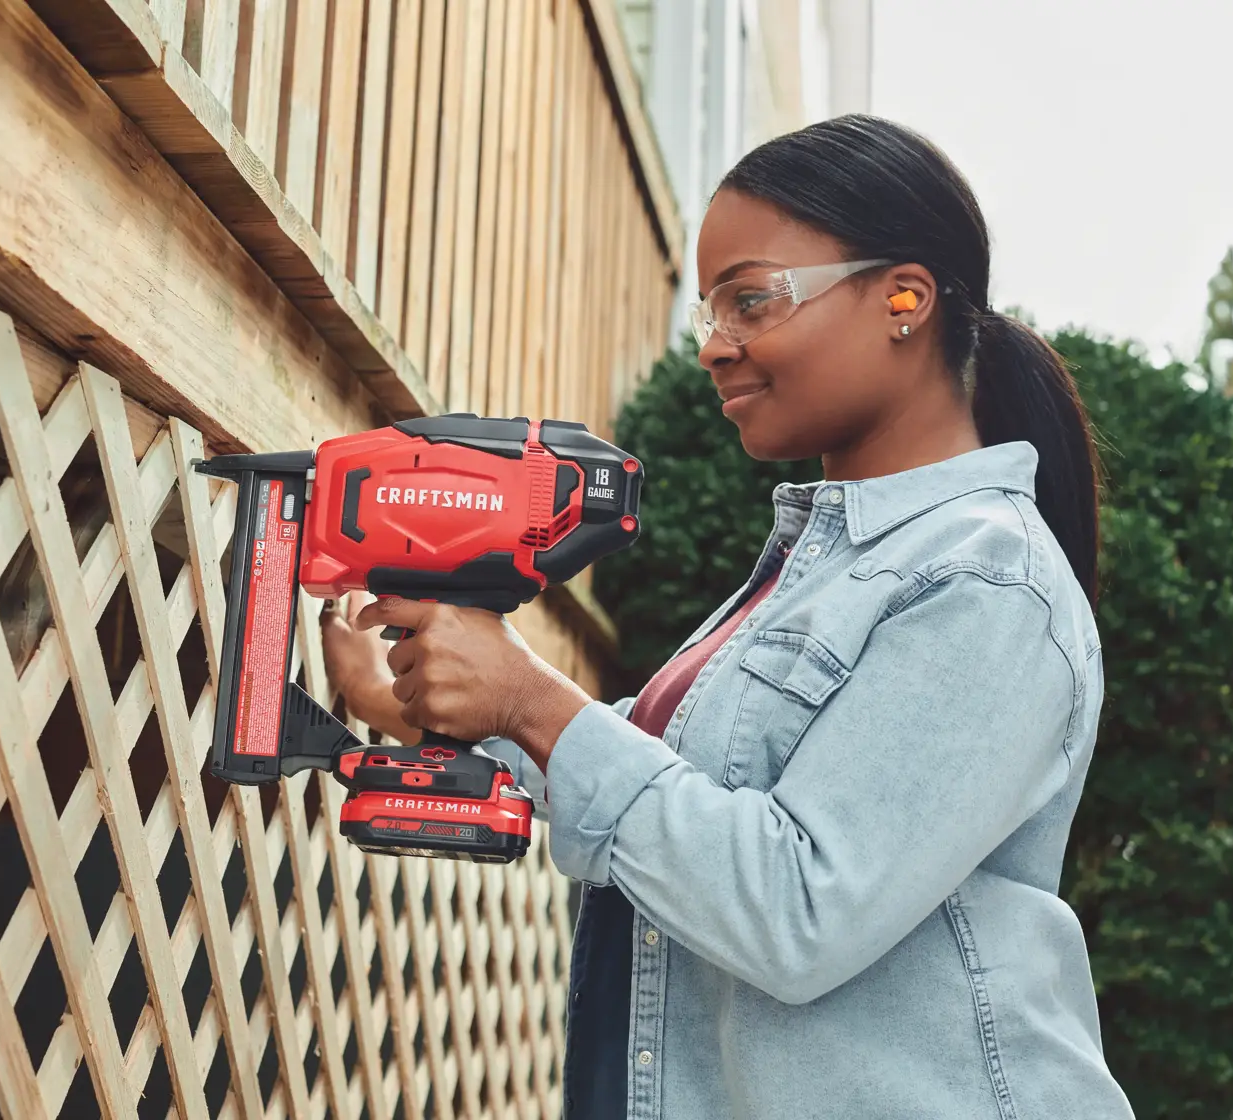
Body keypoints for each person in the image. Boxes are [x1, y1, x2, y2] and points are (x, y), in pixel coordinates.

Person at [321, 114, 1134, 1120]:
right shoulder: (821, 572)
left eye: (751, 299)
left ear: (906, 299)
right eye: (708, 312)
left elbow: (798, 908)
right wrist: (445, 708)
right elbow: (682, 794)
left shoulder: (987, 583)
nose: (714, 347)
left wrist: (528, 699)